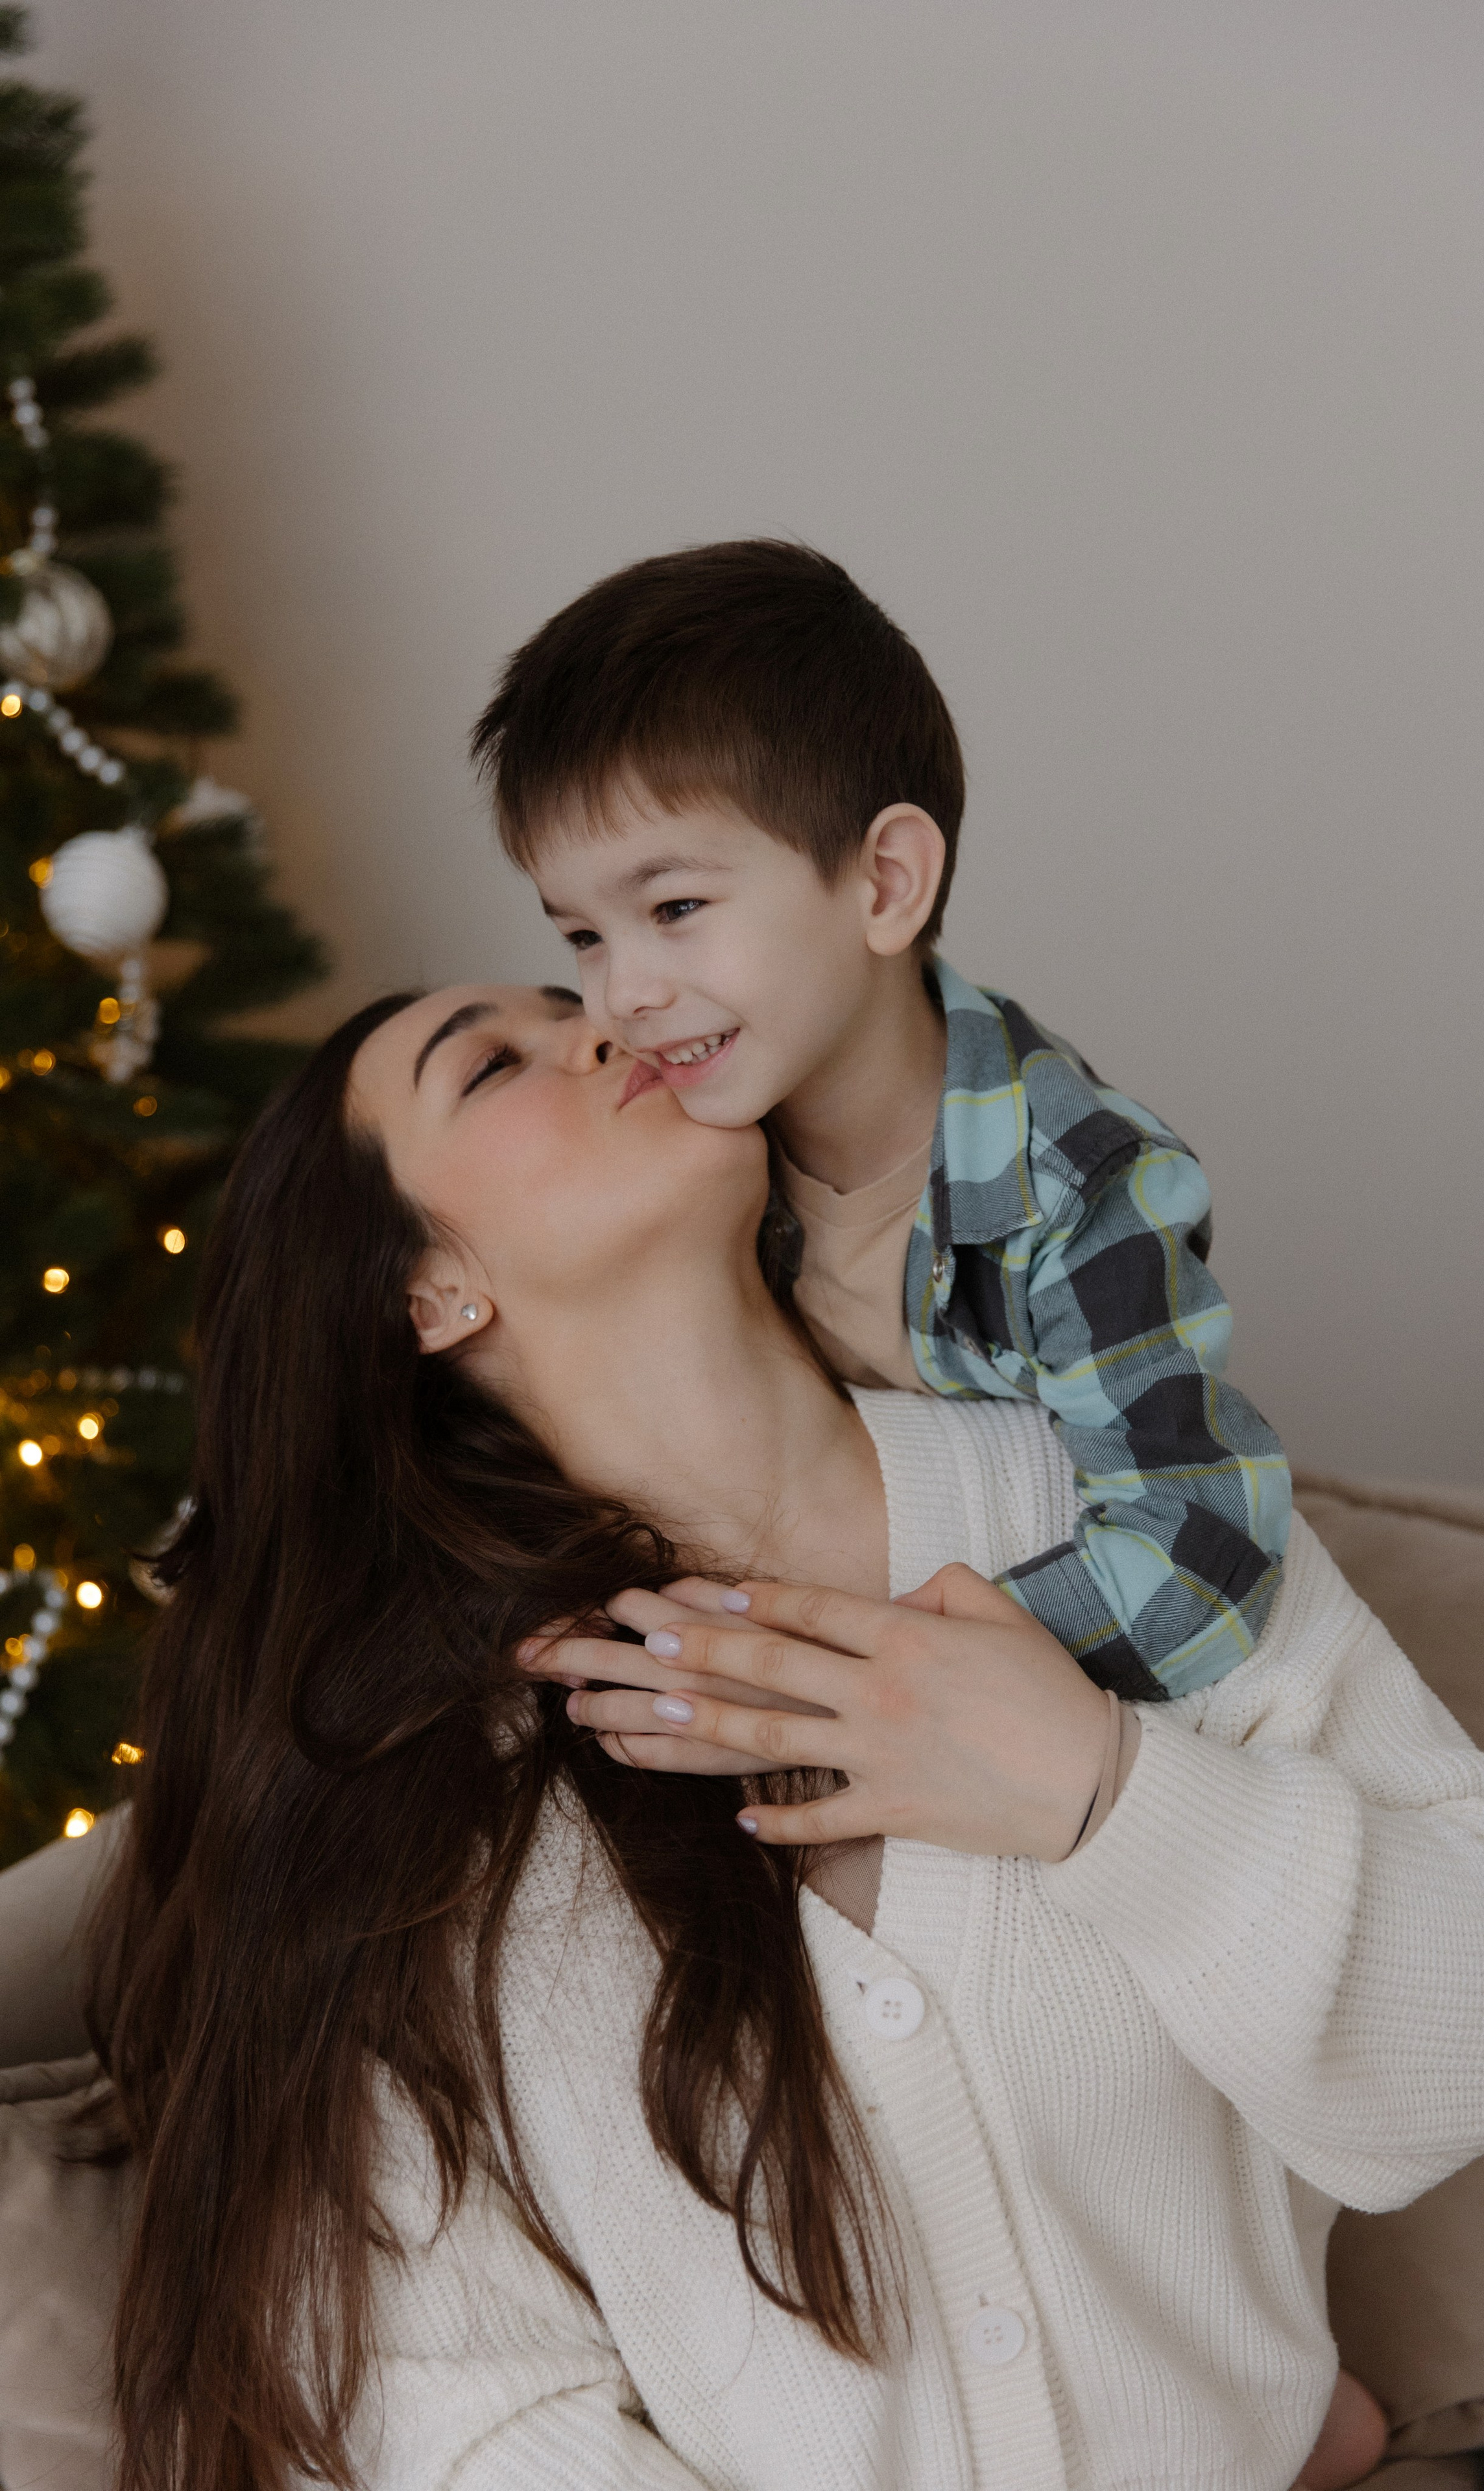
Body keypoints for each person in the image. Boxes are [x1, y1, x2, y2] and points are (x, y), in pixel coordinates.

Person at [88, 984, 1484, 2491]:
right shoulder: (427, 1784)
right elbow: (456, 2409)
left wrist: (1101, 1793)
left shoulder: (1133, 1512)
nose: (605, 1026)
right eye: (492, 1065)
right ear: (428, 1295)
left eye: (577, 1003)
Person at [470, 540, 1290, 1703]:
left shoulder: (1077, 1191)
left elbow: (1197, 1559)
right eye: (584, 938)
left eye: (677, 906)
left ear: (886, 883)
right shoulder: (693, 1147)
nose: (622, 996)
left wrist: (852, 1672)